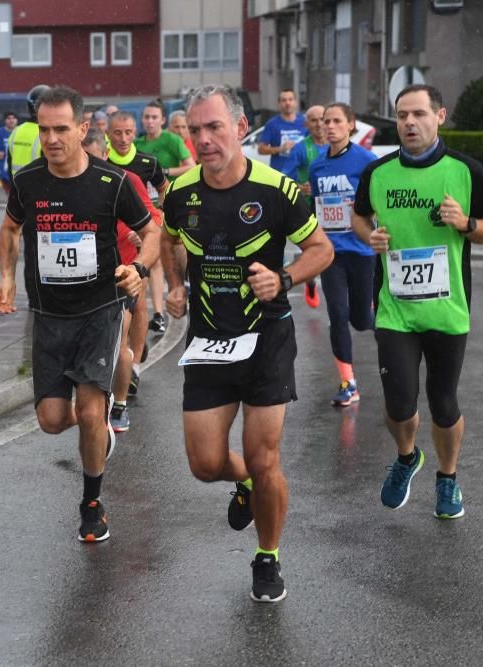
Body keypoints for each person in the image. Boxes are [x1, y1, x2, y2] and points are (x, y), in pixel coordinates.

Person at [160, 84, 333, 603]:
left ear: (239, 129)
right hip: (210, 340)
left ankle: (267, 556)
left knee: (264, 457)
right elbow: (169, 239)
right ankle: (244, 484)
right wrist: (173, 285)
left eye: (214, 127)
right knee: (205, 464)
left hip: (267, 338)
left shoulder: (278, 190)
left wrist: (283, 277)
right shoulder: (181, 192)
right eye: (196, 130)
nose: (204, 139)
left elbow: (320, 249)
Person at [0, 86, 160, 542]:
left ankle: (92, 502)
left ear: (83, 128)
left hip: (100, 310)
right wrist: (6, 275)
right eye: (45, 129)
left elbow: (153, 231)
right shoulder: (27, 182)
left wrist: (140, 269)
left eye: (61, 129)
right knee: (50, 419)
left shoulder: (114, 182)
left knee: (88, 412)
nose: (51, 138)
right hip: (49, 315)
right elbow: (10, 229)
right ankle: (98, 428)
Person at [352, 84, 483, 520]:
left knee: (444, 402)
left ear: (440, 115)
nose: (409, 123)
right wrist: (368, 236)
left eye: (418, 114)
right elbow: (360, 216)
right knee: (398, 403)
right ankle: (406, 457)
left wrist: (466, 223)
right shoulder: (378, 173)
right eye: (401, 115)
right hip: (395, 309)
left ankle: (448, 478)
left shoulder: (466, 171)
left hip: (448, 310)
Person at [81, 128, 159, 434]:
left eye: (91, 158)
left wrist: (136, 236)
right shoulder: (70, 183)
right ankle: (102, 395)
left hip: (122, 271)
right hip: (87, 277)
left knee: (119, 339)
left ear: (105, 155)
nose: (85, 164)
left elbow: (151, 221)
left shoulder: (125, 181)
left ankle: (120, 403)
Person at [308, 103, 378, 406]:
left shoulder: (366, 161)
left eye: (336, 121)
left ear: (351, 125)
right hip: (331, 252)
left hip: (361, 250)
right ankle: (348, 383)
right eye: (326, 121)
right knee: (337, 314)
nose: (329, 126)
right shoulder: (317, 166)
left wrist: (366, 214)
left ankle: (394, 335)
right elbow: (315, 208)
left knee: (361, 320)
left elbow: (380, 202)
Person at [106, 110, 167, 401]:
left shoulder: (138, 169)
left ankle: (134, 368)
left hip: (131, 254)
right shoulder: (95, 169)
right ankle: (118, 364)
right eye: (116, 132)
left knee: (136, 309)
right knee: (116, 318)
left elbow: (157, 202)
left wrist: (148, 230)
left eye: (127, 132)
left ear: (134, 132)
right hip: (103, 254)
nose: (122, 138)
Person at [137, 99, 195, 336]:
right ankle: (157, 308)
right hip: (141, 208)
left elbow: (190, 166)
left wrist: (164, 173)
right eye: (146, 117)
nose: (150, 121)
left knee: (164, 253)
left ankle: (175, 293)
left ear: (162, 120)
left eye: (154, 117)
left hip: (168, 205)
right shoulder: (137, 143)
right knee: (150, 260)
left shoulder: (172, 140)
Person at [284, 104, 328, 309]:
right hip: (310, 207)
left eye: (323, 119)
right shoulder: (301, 148)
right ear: (306, 124)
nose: (319, 124)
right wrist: (300, 187)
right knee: (315, 247)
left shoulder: (338, 144)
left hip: (336, 209)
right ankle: (311, 280)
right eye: (314, 120)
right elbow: (284, 178)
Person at [257, 89, 307, 176]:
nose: (287, 103)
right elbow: (261, 149)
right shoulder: (272, 124)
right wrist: (281, 149)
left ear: (295, 102)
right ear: (279, 104)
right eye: (284, 100)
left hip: (301, 174)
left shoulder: (305, 121)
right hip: (279, 174)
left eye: (290, 99)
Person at [6, 84, 49, 178]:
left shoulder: (16, 132)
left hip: (18, 188)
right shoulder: (48, 134)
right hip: (39, 189)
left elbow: (9, 165)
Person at [0, 111, 18, 193]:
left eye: (14, 118)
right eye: (9, 118)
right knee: (11, 194)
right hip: (4, 170)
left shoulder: (22, 132)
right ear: (5, 120)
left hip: (19, 170)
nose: (11, 120)